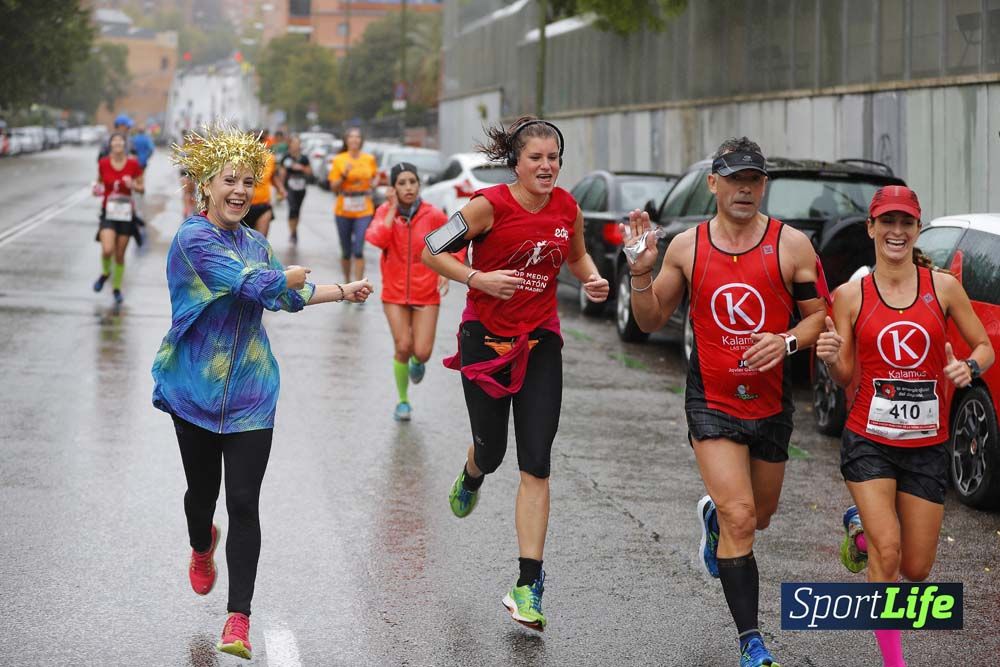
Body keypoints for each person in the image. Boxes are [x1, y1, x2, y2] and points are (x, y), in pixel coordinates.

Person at [153, 125, 373, 661]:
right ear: (206, 185)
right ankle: (202, 545)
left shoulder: (256, 241)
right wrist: (288, 277)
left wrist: (340, 291)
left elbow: (286, 299)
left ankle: (238, 620)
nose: (239, 191)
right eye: (229, 180)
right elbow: (254, 283)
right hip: (195, 393)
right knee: (201, 497)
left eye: (248, 182)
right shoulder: (193, 239)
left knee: (245, 501)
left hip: (253, 394)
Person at [624, 136, 826, 667]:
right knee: (742, 517)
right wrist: (642, 270)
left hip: (771, 401)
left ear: (764, 186)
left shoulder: (792, 246)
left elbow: (817, 318)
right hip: (711, 400)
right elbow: (647, 322)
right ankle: (751, 642)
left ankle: (712, 515)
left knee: (758, 515)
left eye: (754, 180)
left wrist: (784, 342)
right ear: (713, 183)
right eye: (734, 179)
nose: (745, 189)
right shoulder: (688, 248)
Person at [422, 116, 609, 632]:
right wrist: (478, 276)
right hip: (484, 339)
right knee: (494, 452)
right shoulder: (487, 206)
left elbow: (577, 257)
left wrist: (593, 279)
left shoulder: (567, 207)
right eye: (536, 158)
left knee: (537, 461)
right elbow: (431, 249)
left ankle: (528, 584)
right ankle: (473, 472)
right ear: (517, 162)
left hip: (540, 340)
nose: (547, 167)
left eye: (554, 158)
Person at [816, 185, 993, 667]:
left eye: (906, 222)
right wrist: (832, 361)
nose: (896, 231)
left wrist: (969, 369)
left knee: (916, 569)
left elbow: (984, 347)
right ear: (871, 228)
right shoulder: (850, 296)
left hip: (926, 446)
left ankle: (860, 529)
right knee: (888, 553)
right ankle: (893, 661)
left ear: (917, 229)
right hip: (868, 439)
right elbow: (846, 374)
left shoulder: (944, 288)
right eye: (887, 222)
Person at [365, 162, 463, 421]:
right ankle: (403, 401)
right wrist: (391, 211)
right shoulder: (386, 212)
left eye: (412, 182)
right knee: (403, 345)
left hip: (426, 291)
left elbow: (458, 242)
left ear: (419, 185)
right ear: (393, 188)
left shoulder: (433, 215)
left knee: (421, 352)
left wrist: (447, 269)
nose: (408, 187)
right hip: (394, 293)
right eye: (402, 183)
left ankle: (417, 364)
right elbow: (376, 239)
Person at [93, 132, 144, 305]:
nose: (117, 144)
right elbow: (99, 182)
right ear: (110, 146)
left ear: (124, 145)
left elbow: (142, 188)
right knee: (107, 249)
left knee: (120, 255)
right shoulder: (103, 163)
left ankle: (116, 289)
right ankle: (105, 273)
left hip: (126, 215)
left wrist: (133, 185)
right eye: (114, 142)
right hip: (108, 212)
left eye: (120, 142)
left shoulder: (133, 164)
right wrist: (97, 189)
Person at [328, 127, 377, 284]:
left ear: (361, 141)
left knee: (358, 249)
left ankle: (359, 284)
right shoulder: (339, 159)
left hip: (364, 208)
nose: (355, 140)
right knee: (346, 250)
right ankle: (347, 280)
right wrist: (344, 175)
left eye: (358, 137)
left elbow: (375, 177)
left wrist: (374, 184)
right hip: (344, 209)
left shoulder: (369, 159)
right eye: (352, 137)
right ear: (347, 140)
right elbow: (333, 187)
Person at [244, 131, 285, 237]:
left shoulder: (270, 158)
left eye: (261, 139)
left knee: (261, 243)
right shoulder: (241, 158)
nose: (258, 142)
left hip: (263, 205)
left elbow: (273, 176)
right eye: (254, 139)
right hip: (242, 204)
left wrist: (281, 189)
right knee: (243, 244)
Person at [279, 135, 312, 243]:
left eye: (297, 144)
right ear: (290, 145)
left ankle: (295, 229)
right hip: (290, 186)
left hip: (301, 187)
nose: (295, 146)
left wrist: (301, 168)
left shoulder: (304, 158)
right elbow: (282, 173)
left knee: (297, 209)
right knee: (292, 208)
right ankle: (292, 232)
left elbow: (310, 172)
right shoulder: (286, 157)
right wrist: (281, 188)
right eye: (293, 144)